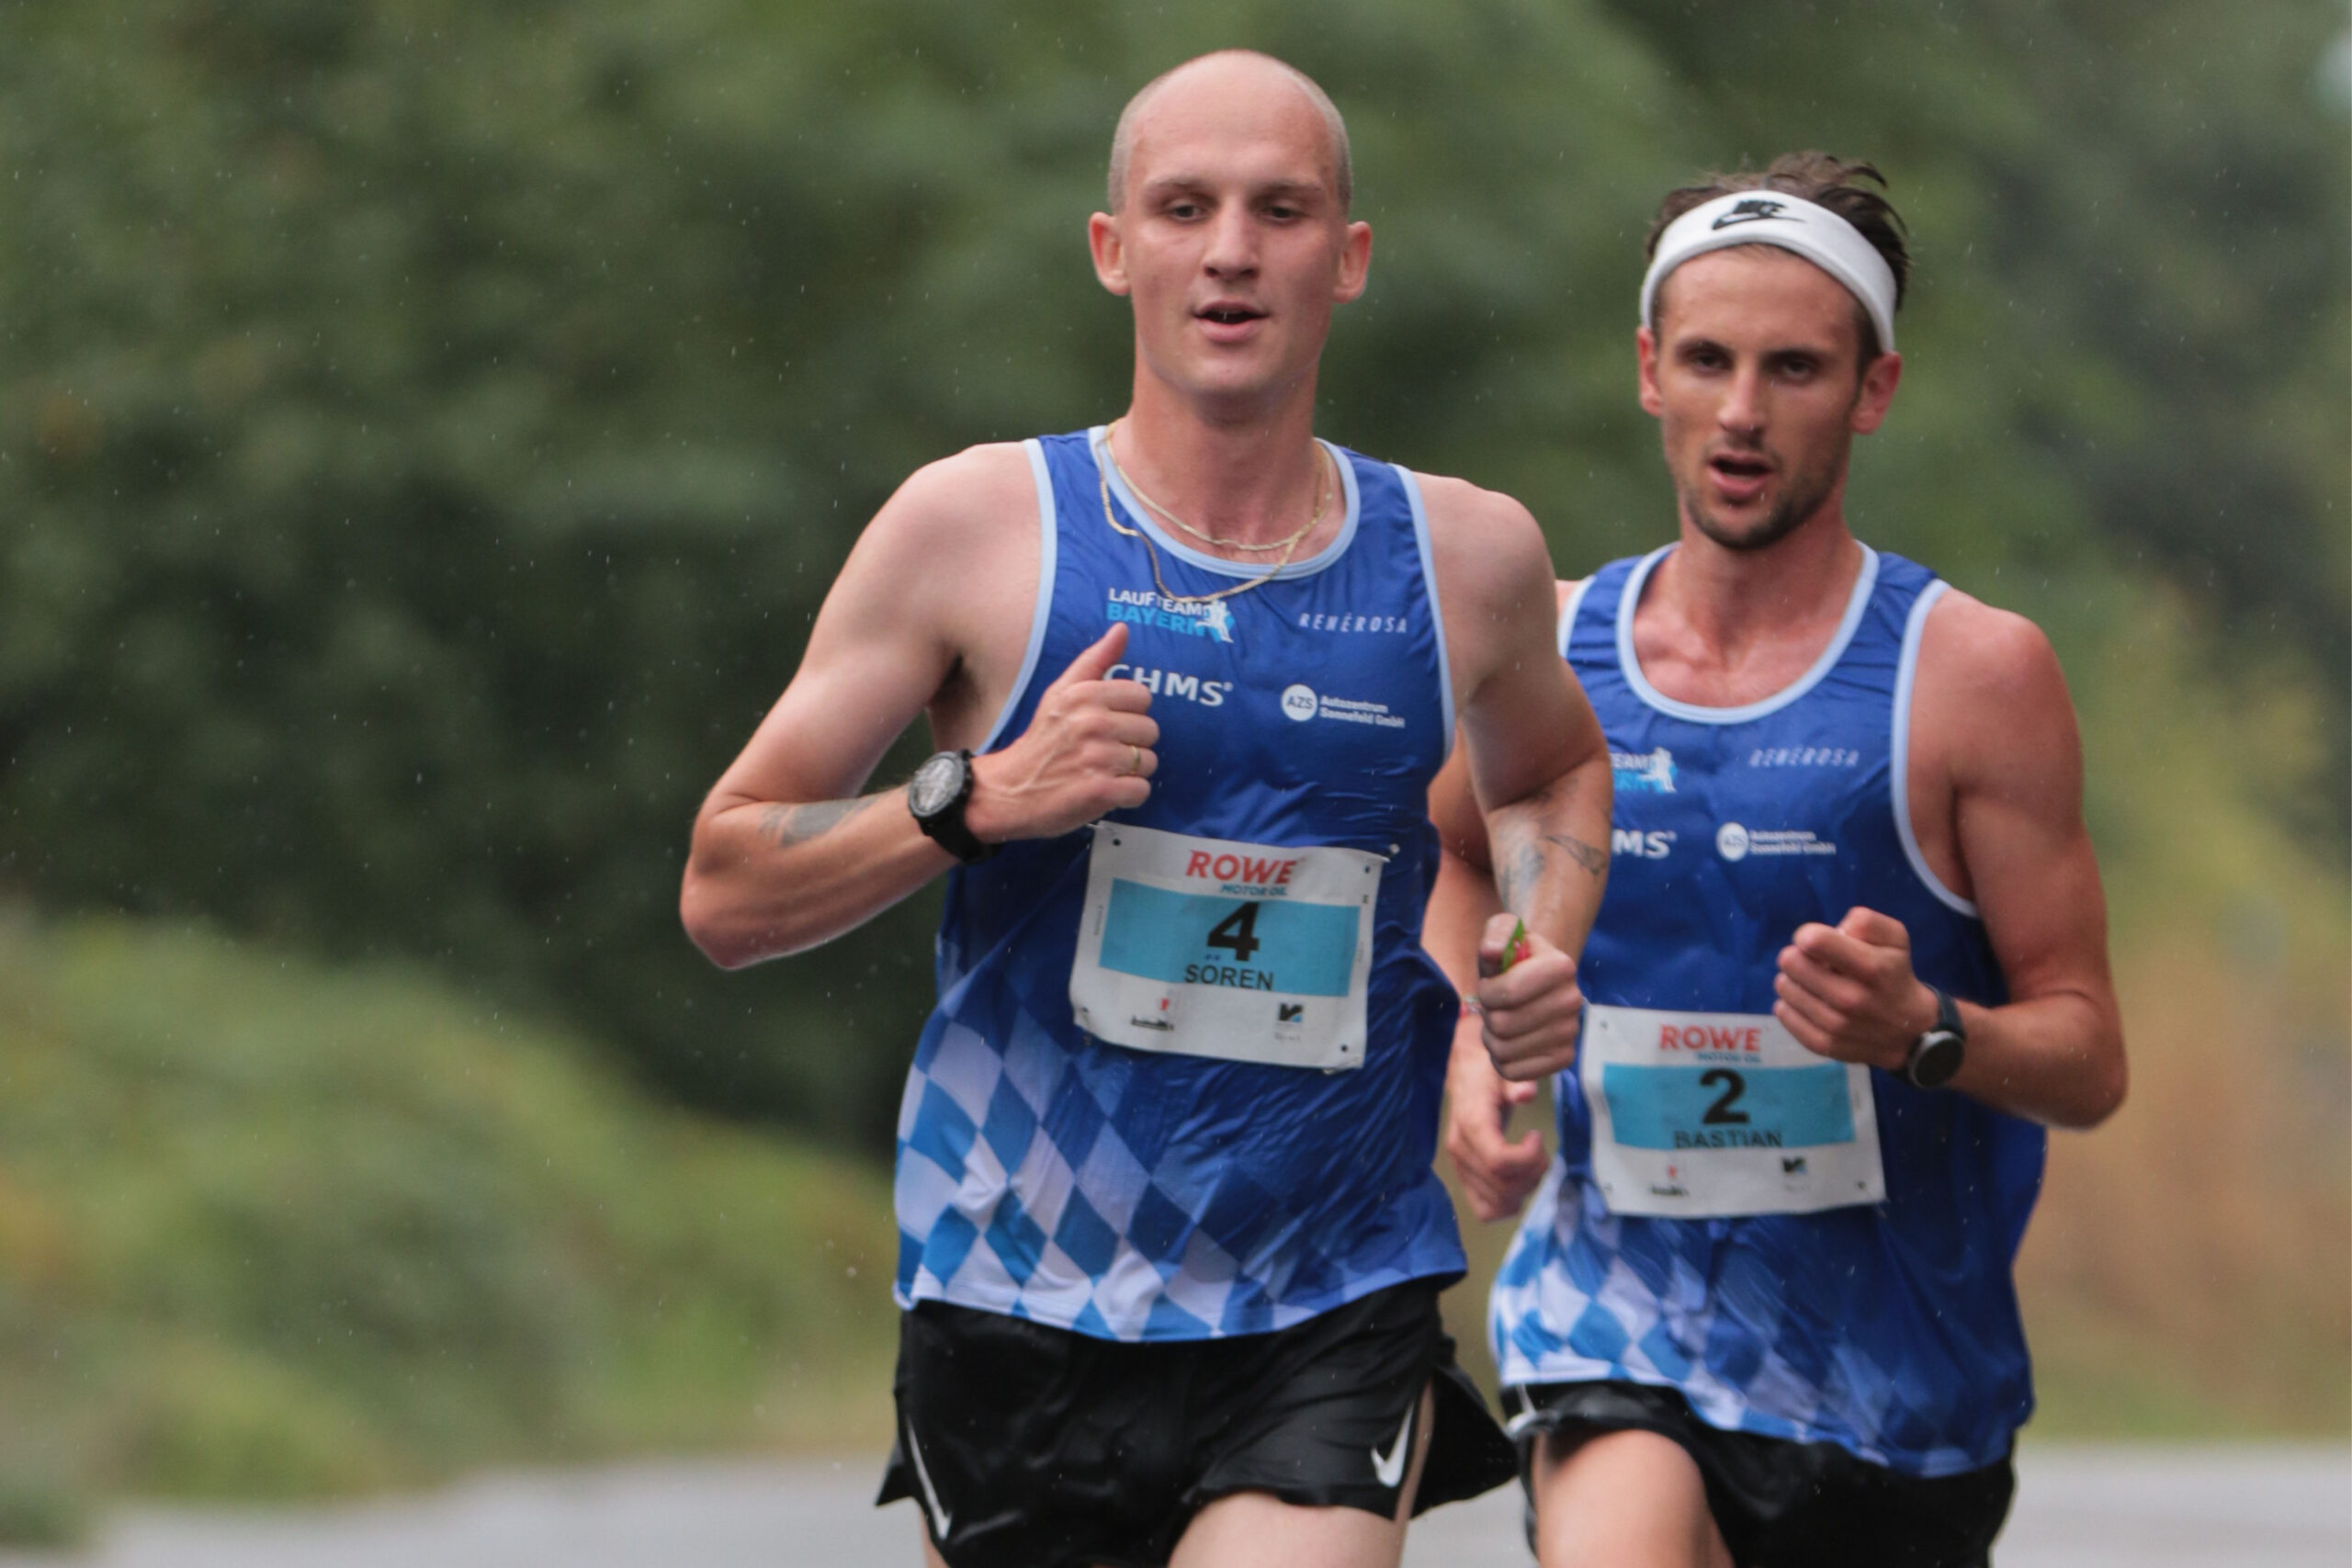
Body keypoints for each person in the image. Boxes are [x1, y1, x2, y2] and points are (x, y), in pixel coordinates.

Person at [679, 51, 1613, 1568]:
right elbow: (724, 884)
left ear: (1349, 259)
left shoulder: (1468, 558)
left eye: (1281, 209)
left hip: (1331, 1292)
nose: (1232, 248)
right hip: (1018, 1290)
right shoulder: (974, 529)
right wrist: (975, 799)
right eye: (1185, 207)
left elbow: (1557, 768)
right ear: (1116, 250)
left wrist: (1532, 946)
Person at [1427, 152, 2128, 1568]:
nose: (1742, 414)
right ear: (1648, 371)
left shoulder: (1970, 675)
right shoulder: (1549, 647)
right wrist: (1468, 1044)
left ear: (1873, 391)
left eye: (1795, 369)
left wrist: (1927, 1029)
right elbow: (1450, 864)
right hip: (1615, 1310)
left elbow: (2088, 1056)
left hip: (1895, 1373)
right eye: (1707, 360)